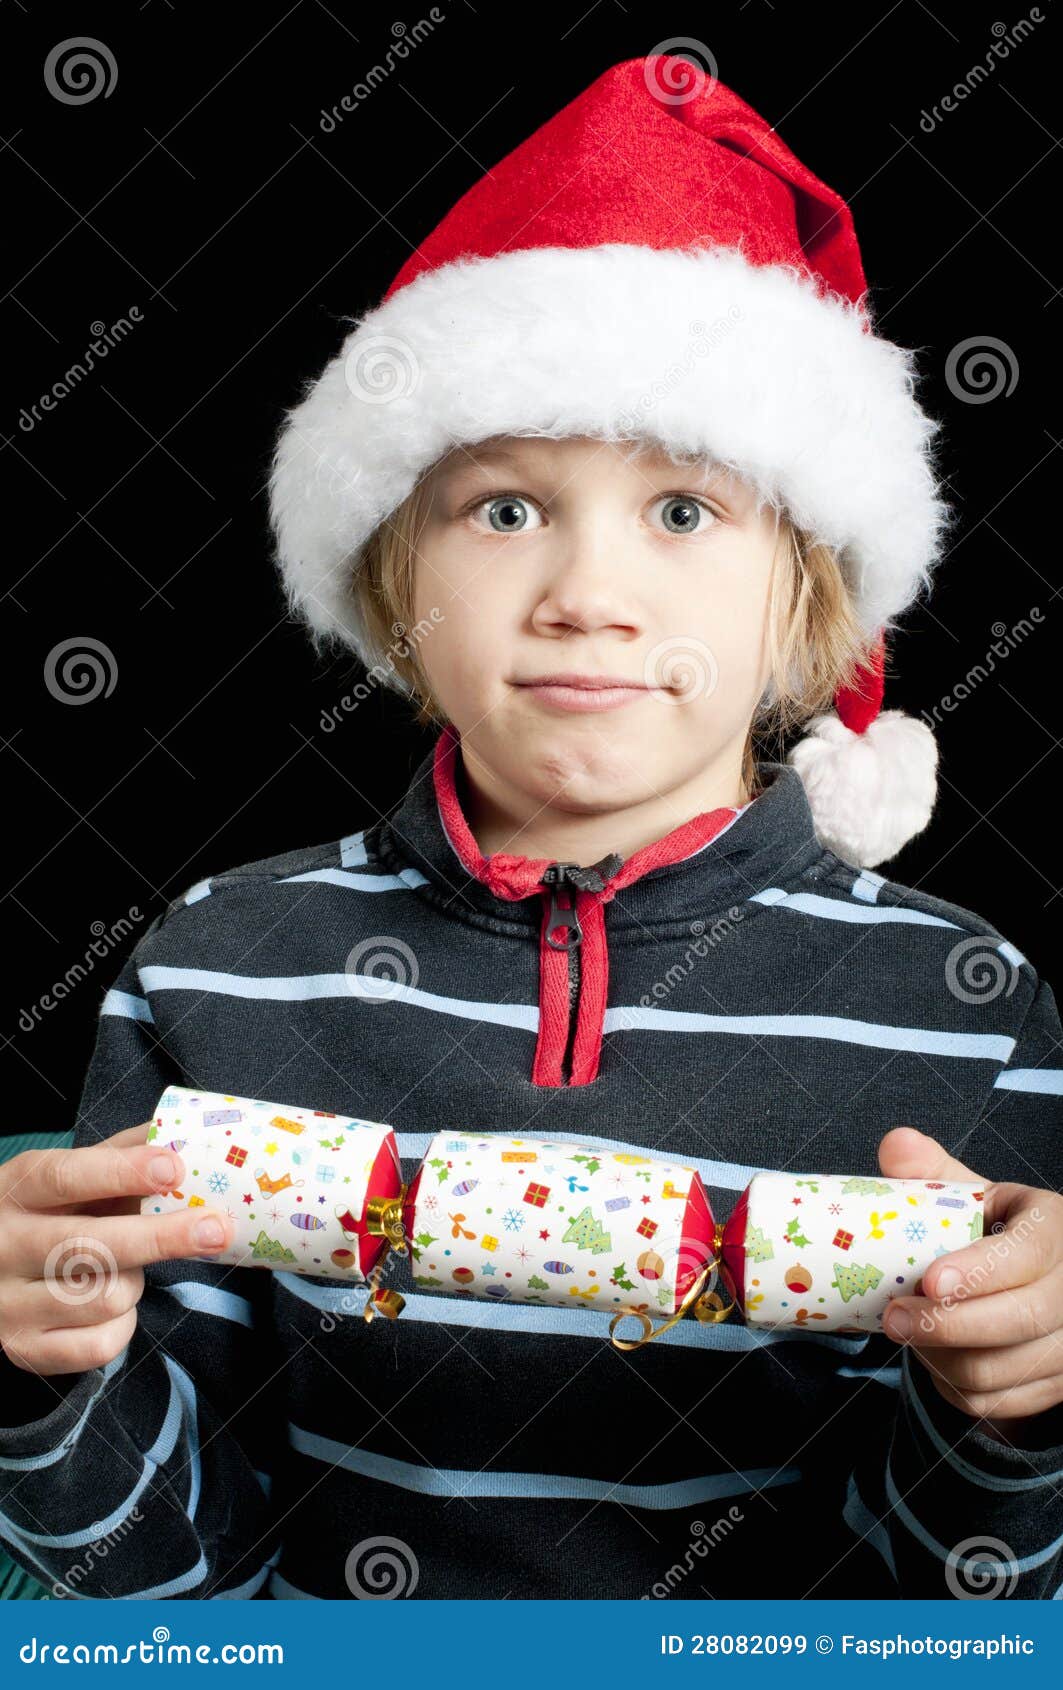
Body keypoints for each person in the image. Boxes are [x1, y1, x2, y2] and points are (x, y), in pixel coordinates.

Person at [1, 55, 1061, 1603]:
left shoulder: (967, 1017)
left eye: (685, 512)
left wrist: (1015, 1410)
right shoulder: (215, 970)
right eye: (503, 507)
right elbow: (165, 1602)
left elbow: (957, 1610)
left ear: (805, 598)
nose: (586, 591)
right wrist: (46, 1388)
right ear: (395, 584)